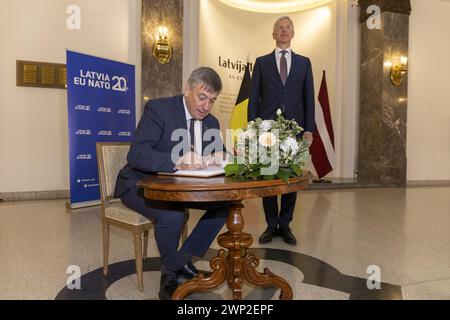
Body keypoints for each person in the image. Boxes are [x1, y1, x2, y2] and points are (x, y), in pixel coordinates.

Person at [114, 67, 229, 300]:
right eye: (202, 97)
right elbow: (137, 155)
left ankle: (177, 262)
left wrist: (221, 154)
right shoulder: (159, 109)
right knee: (173, 215)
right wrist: (178, 160)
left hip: (181, 189)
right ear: (187, 88)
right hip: (139, 184)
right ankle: (171, 274)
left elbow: (218, 152)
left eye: (212, 101)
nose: (206, 107)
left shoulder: (212, 122)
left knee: (224, 206)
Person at [248, 16, 315, 245]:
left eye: (288, 28)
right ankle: (270, 224)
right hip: (267, 128)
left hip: (295, 130)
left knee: (290, 179)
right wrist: (253, 128)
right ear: (273, 34)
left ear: (293, 33)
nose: (284, 31)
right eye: (280, 28)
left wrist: (309, 129)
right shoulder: (261, 62)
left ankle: (285, 225)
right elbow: (253, 98)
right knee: (268, 176)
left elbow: (308, 99)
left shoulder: (304, 63)